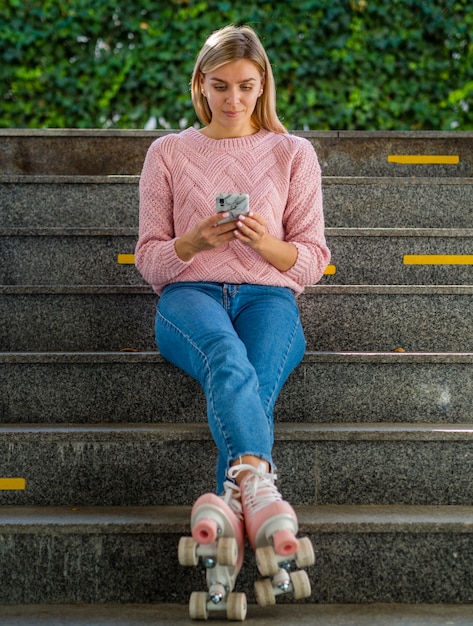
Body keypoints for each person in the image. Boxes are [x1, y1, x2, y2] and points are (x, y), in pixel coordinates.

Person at [135, 24, 330, 616]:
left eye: (247, 86)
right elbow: (149, 257)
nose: (234, 99)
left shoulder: (293, 153)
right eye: (220, 86)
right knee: (228, 357)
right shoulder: (167, 152)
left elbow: (312, 259)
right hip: (188, 296)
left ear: (263, 84)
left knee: (249, 373)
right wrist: (192, 242)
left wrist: (265, 244)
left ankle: (228, 520)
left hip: (268, 298)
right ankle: (262, 497)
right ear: (200, 85)